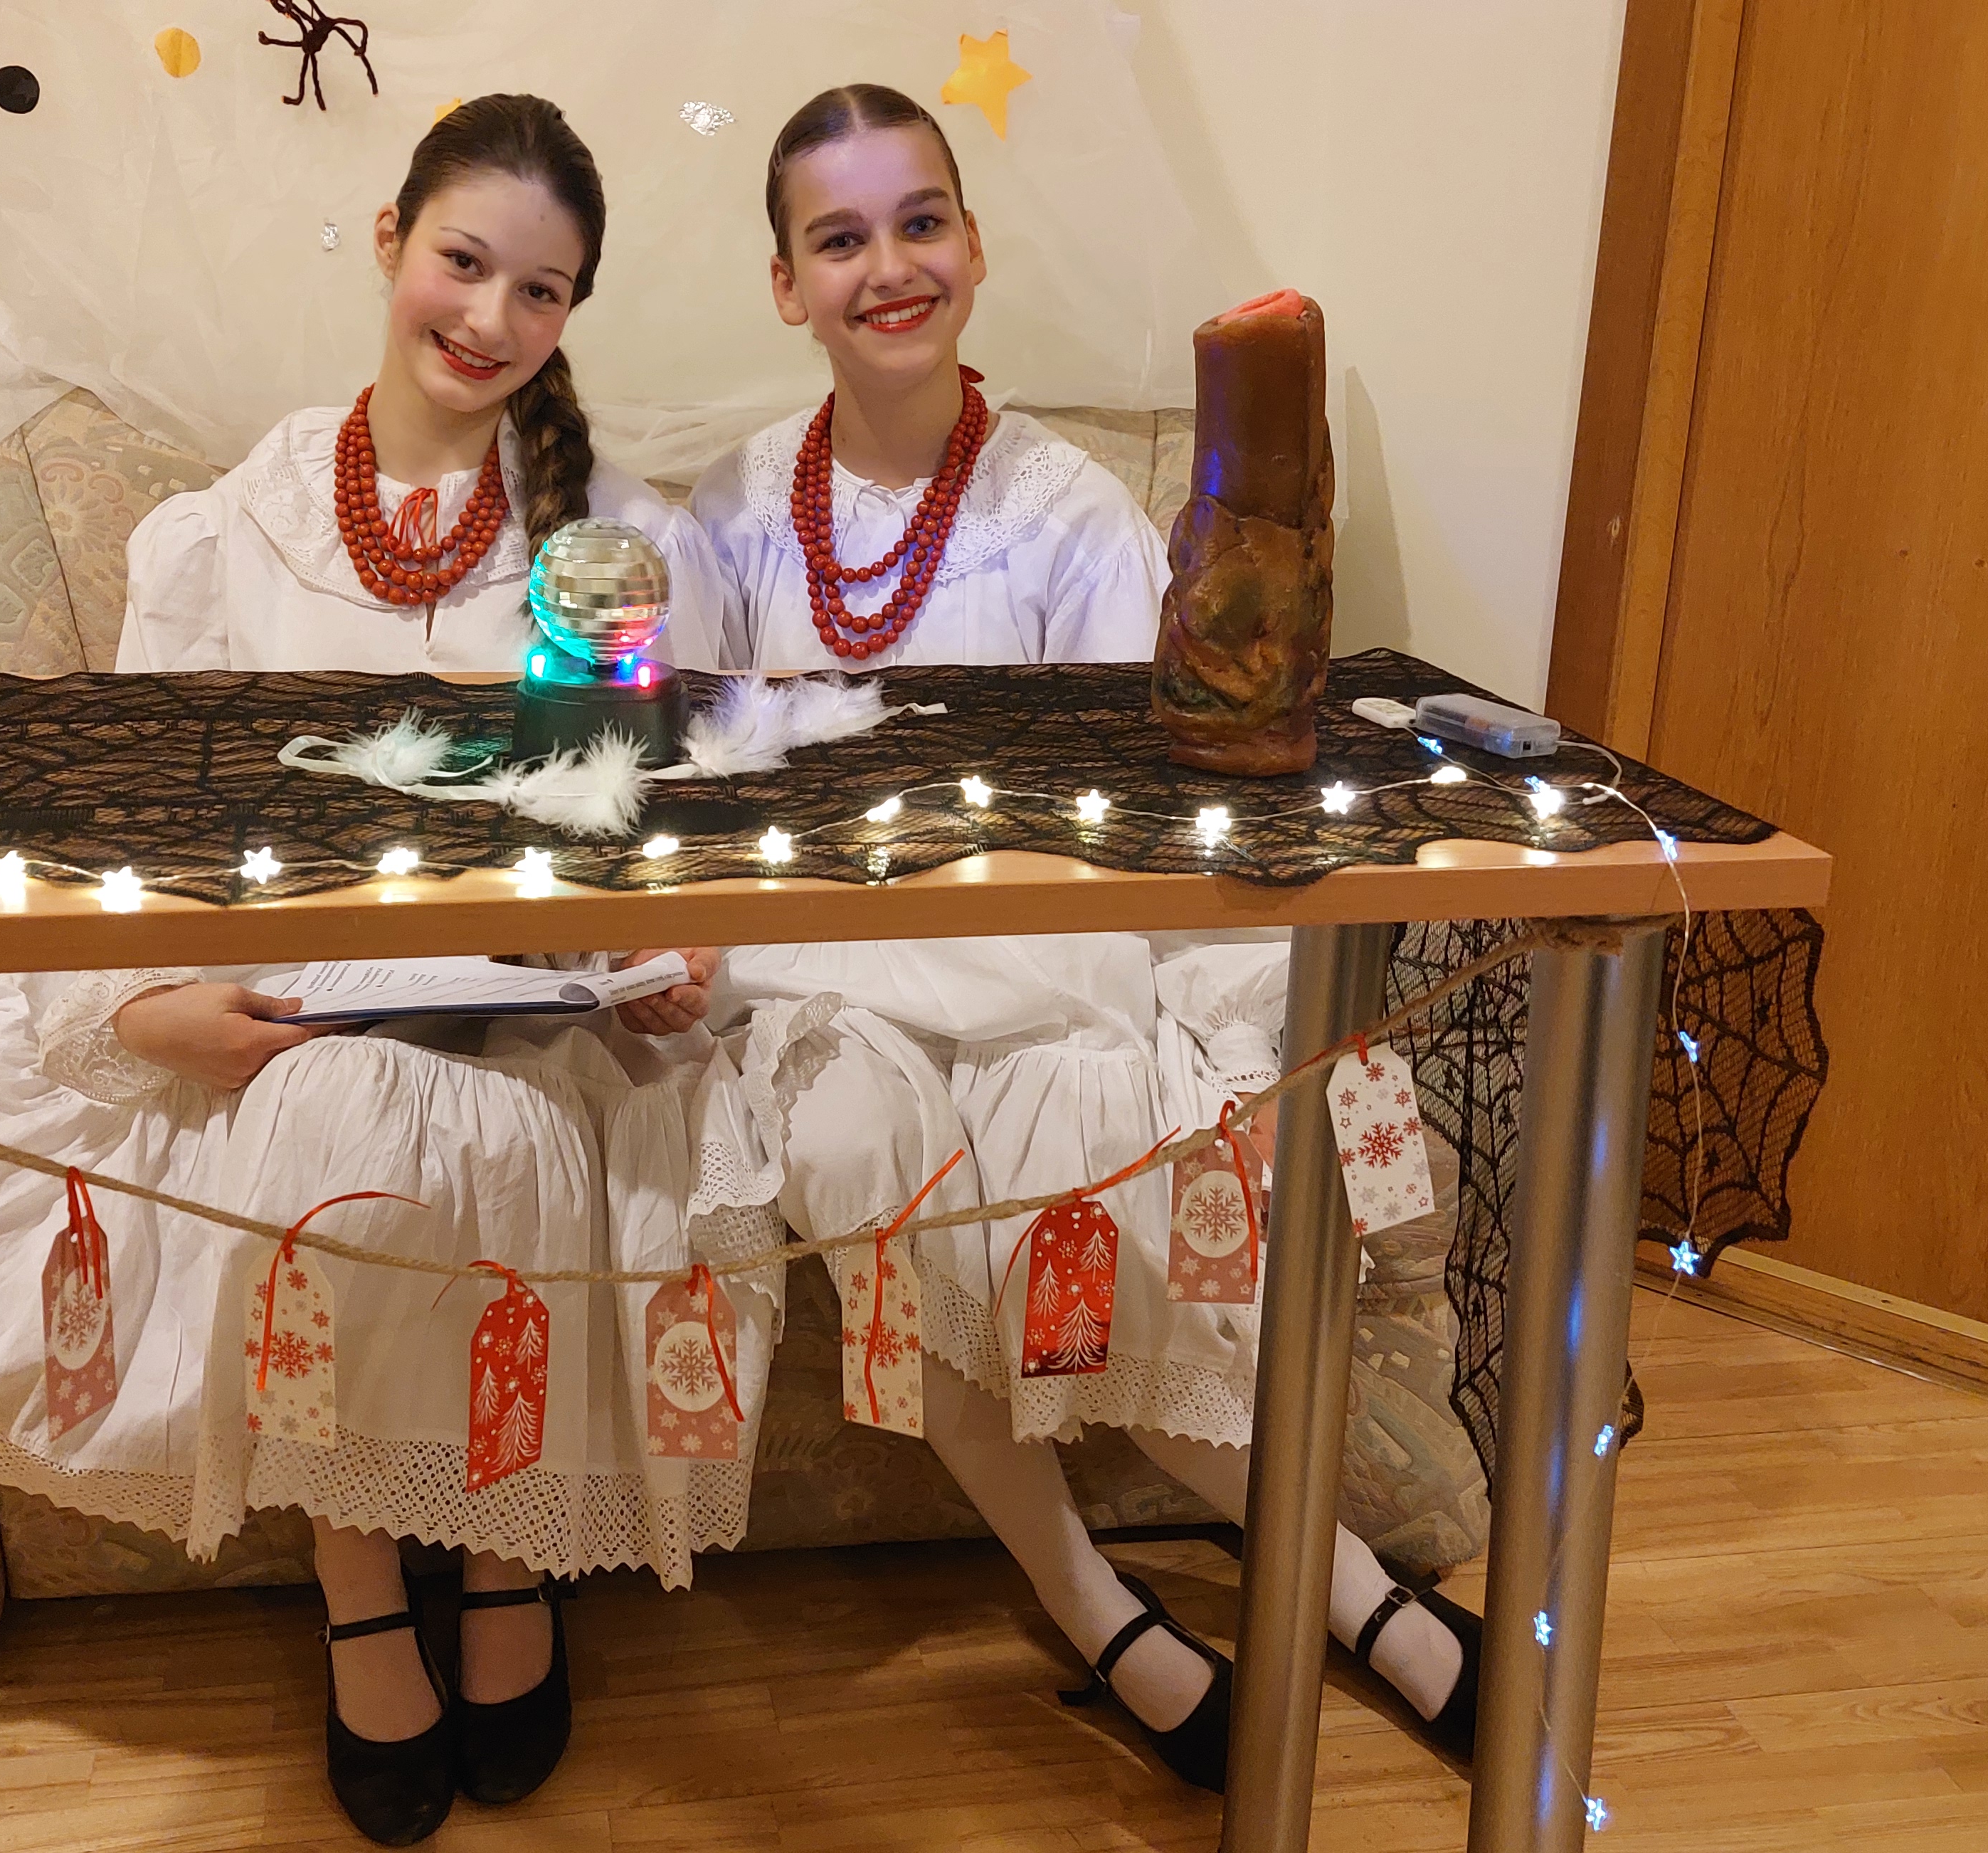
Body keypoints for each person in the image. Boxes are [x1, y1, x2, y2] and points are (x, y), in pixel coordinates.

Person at [0, 95, 729, 1847]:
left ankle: (509, 1565)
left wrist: (663, 957)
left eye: (540, 290)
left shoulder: (609, 540)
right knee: (333, 1111)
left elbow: (644, 829)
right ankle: (359, 1590)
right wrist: (148, 1005)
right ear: (388, 242)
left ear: (571, 312)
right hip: (302, 1002)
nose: (490, 318)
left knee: (516, 1119)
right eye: (463, 262)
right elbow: (143, 824)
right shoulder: (230, 531)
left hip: (531, 1003)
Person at [687, 84, 1481, 1792]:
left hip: (1041, 957)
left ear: (973, 247)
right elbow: (689, 770)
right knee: (852, 1147)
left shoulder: (1066, 513)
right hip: (820, 969)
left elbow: (1152, 803)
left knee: (1091, 1196)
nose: (887, 267)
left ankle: (1346, 1591)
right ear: (785, 283)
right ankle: (1089, 1602)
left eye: (919, 223)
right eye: (839, 238)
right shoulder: (735, 510)